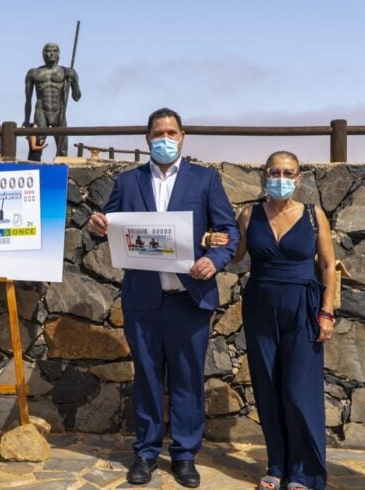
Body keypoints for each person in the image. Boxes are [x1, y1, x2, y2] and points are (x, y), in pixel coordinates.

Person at [87, 108, 238, 488]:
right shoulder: (128, 181)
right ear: (147, 138)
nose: (165, 138)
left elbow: (228, 233)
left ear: (183, 136)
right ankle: (146, 452)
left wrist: (213, 261)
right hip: (144, 299)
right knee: (148, 378)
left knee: (188, 379)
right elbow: (106, 228)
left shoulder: (205, 180)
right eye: (159, 133)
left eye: (172, 132)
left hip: (189, 299)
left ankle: (185, 456)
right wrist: (98, 226)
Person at [210, 151, 334, 490]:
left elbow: (326, 266)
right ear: (264, 175)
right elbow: (235, 256)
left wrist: (327, 311)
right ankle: (277, 466)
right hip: (260, 306)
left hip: (303, 306)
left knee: (298, 391)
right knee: (267, 387)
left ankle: (305, 471)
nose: (280, 177)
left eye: (288, 172)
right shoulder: (249, 214)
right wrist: (213, 240)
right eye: (274, 171)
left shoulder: (313, 215)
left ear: (299, 178)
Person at [24, 42, 81, 156]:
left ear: (58, 53)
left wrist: (74, 81)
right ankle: (33, 168)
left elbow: (76, 97)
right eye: (48, 51)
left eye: (54, 51)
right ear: (43, 53)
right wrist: (26, 120)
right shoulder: (33, 73)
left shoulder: (66, 72)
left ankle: (63, 172)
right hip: (41, 110)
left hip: (59, 111)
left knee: (63, 149)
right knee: (37, 144)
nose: (51, 54)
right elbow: (28, 100)